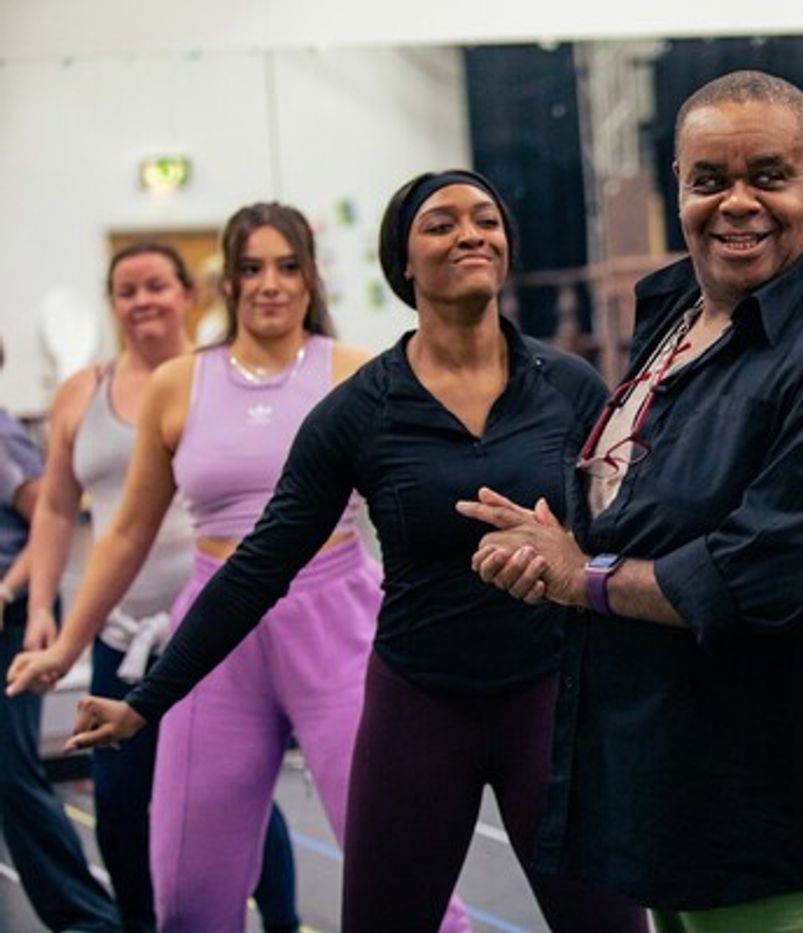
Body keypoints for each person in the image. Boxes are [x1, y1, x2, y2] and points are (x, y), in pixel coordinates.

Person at [16, 172, 643, 933]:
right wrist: (145, 701)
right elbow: (257, 567)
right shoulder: (360, 409)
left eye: (485, 220)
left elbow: (629, 531)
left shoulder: (570, 387)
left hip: (547, 700)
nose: (470, 234)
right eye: (441, 224)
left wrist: (575, 558)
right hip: (420, 708)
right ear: (404, 262)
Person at [461, 72, 803, 933]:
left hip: (790, 822)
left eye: (768, 175)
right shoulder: (675, 308)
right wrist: (557, 545)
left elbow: (776, 571)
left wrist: (583, 577)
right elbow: (660, 505)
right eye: (709, 180)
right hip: (674, 799)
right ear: (677, 184)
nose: (737, 204)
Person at [5, 203, 471, 933]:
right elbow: (124, 531)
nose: (270, 285)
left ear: (310, 276)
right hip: (217, 632)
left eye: (286, 266)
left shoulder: (356, 374)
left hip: (337, 621)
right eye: (251, 268)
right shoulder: (181, 384)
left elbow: (421, 503)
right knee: (189, 889)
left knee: (402, 870)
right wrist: (63, 644)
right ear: (225, 282)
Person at [20, 242, 302, 931]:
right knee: (118, 799)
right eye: (125, 289)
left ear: (187, 296)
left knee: (237, 793)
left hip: (213, 622)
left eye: (156, 285)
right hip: (123, 627)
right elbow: (57, 505)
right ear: (111, 304)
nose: (142, 300)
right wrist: (41, 609)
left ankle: (282, 919)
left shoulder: (219, 377)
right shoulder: (81, 393)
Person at [0, 336, 123, 933]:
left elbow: (45, 518)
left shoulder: (1, 437)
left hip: (10, 622)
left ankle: (85, 916)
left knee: (10, 771)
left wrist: (10, 592)